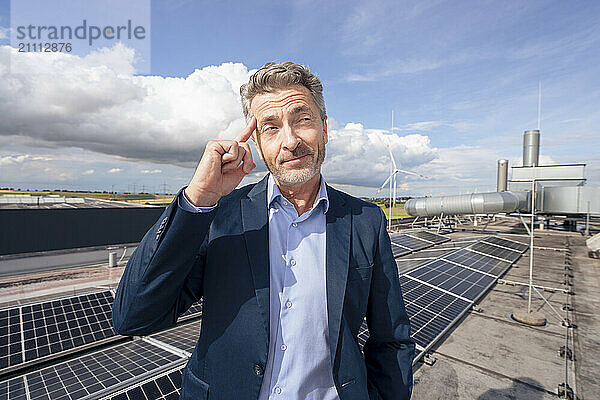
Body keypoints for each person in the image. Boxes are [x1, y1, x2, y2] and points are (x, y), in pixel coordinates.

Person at [112, 61, 415, 400]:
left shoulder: (365, 220)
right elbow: (133, 316)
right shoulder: (220, 215)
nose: (291, 141)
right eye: (271, 127)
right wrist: (198, 197)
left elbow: (392, 339)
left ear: (325, 129)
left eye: (303, 119)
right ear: (256, 141)